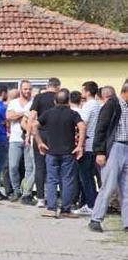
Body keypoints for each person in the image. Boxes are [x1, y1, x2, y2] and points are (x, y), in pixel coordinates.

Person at [33, 89, 85, 218]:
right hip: (68, 152)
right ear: (68, 101)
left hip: (51, 151)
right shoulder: (73, 114)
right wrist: (79, 146)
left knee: (51, 180)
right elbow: (82, 126)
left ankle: (51, 208)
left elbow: (34, 126)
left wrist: (40, 142)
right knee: (67, 180)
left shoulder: (48, 114)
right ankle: (66, 210)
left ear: (55, 101)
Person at [88, 84, 126, 232]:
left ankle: (127, 222)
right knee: (108, 186)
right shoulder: (112, 105)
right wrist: (99, 151)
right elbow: (101, 128)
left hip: (126, 147)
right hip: (114, 147)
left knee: (126, 188)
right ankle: (96, 218)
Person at [30, 78, 62, 207]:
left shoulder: (38, 97)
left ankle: (40, 198)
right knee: (54, 166)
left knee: (39, 166)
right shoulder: (60, 97)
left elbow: (32, 116)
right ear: (58, 87)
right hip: (56, 134)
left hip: (41, 133)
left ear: (47, 86)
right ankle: (53, 196)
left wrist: (29, 134)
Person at [7, 80, 36, 205]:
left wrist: (18, 116)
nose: (27, 91)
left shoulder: (34, 102)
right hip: (15, 138)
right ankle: (16, 190)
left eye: (29, 89)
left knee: (30, 167)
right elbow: (8, 116)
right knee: (13, 166)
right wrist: (24, 114)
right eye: (25, 89)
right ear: (20, 90)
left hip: (30, 139)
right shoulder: (13, 102)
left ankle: (27, 193)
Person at [74, 81, 101, 216]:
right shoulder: (97, 105)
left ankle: (90, 204)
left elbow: (82, 124)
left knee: (86, 177)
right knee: (89, 176)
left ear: (88, 92)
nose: (82, 93)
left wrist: (79, 144)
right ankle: (87, 203)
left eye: (83, 90)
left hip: (88, 145)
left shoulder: (89, 106)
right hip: (94, 145)